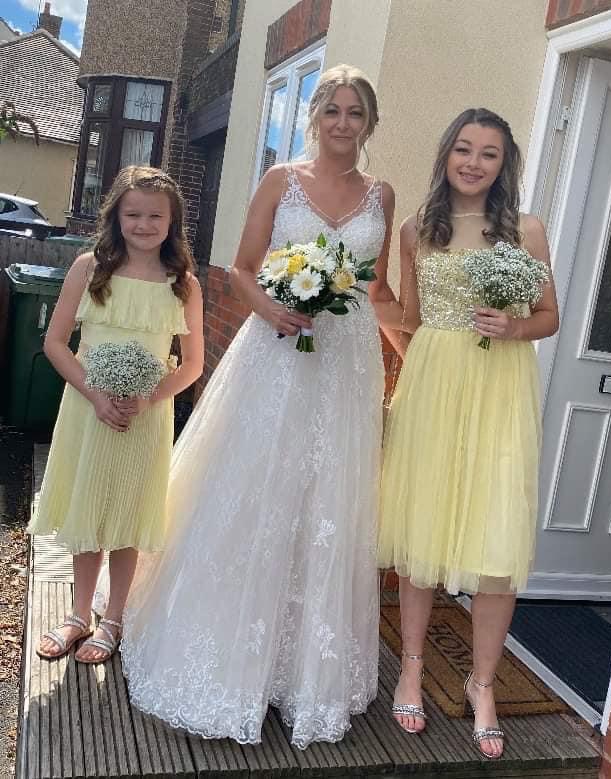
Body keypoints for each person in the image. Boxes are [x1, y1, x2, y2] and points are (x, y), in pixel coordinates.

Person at [119, 64, 397, 749]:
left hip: (345, 361)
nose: (342, 122)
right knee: (255, 486)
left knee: (326, 496)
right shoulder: (281, 180)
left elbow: (375, 288)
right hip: (276, 351)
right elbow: (242, 268)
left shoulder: (382, 195)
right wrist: (273, 309)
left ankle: (303, 673)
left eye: (355, 112)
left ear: (369, 122)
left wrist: (419, 349)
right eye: (331, 109)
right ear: (314, 116)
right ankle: (227, 655)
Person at [376, 108, 559, 758]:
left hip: (500, 390)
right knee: (423, 532)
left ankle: (482, 684)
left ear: (503, 164)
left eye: (488, 153)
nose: (473, 162)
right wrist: (359, 296)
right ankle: (411, 669)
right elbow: (409, 316)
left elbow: (549, 316)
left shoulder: (525, 230)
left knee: (495, 541)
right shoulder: (416, 229)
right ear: (445, 154)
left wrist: (514, 327)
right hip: (433, 388)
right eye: (463, 148)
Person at [29, 166, 204, 664]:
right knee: (88, 509)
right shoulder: (89, 268)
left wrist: (149, 398)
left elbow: (192, 364)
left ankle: (114, 619)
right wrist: (94, 394)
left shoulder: (183, 284)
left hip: (144, 418)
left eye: (155, 216)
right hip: (88, 410)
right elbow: (56, 343)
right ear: (116, 217)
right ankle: (78, 614)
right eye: (133, 214)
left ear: (172, 222)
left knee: (127, 517)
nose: (143, 225)